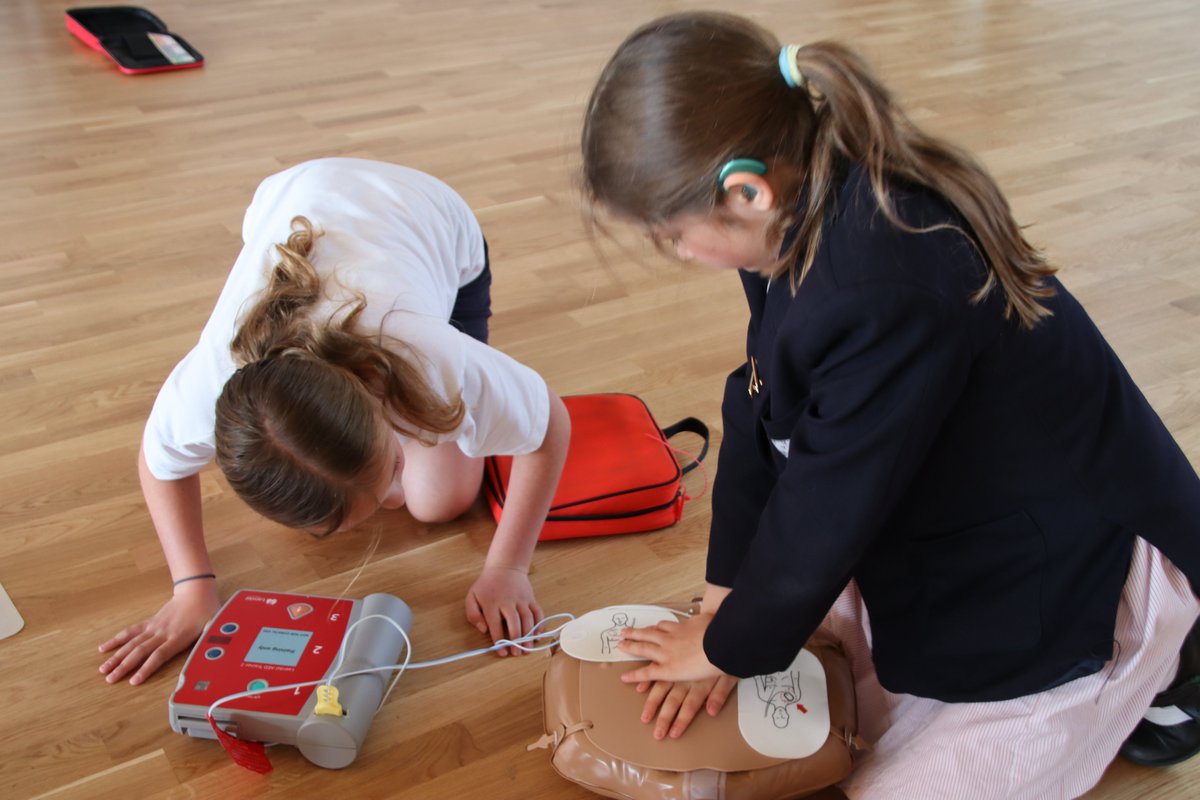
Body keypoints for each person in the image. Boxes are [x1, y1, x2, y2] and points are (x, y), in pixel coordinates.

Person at [580, 12, 1200, 798]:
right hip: (958, 501)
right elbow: (760, 400)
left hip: (1065, 563)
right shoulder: (798, 209)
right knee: (823, 679)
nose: (677, 254)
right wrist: (728, 596)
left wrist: (729, 647)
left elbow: (829, 501)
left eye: (671, 235)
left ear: (745, 188)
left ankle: (1162, 661)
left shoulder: (882, 282)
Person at [98, 158, 570, 685]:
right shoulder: (205, 388)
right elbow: (158, 462)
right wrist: (192, 586)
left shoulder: (429, 357)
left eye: (393, 465)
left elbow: (552, 426)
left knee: (439, 502)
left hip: (433, 217)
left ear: (377, 400)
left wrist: (507, 568)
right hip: (288, 198)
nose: (394, 499)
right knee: (426, 493)